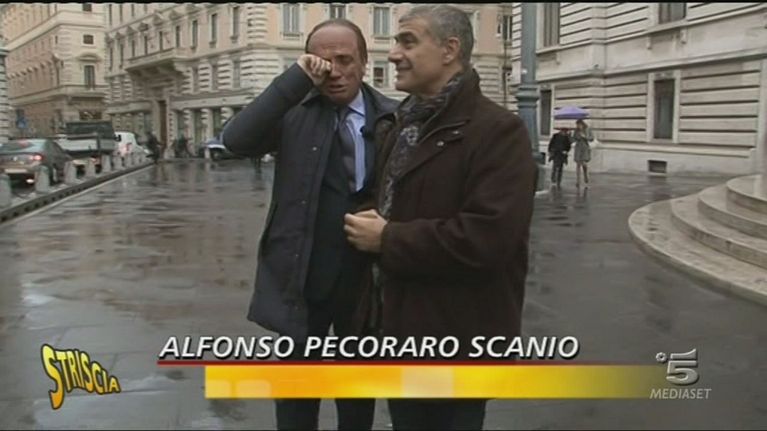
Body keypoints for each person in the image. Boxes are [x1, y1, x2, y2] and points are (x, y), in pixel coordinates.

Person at [343, 5, 536, 430]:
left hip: (460, 339)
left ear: (449, 50)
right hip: (398, 334)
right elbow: (388, 200)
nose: (394, 53)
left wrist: (388, 238)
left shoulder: (498, 131)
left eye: (408, 42)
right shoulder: (402, 123)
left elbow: (487, 238)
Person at [222, 19, 397, 431]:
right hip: (301, 278)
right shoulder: (293, 111)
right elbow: (236, 140)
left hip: (366, 283)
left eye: (345, 60)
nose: (335, 71)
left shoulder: (393, 116)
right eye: (322, 62)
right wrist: (295, 80)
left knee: (357, 391)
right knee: (296, 393)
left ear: (364, 62)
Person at [573, 119, 593, 188]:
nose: (578, 126)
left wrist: (585, 137)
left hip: (585, 148)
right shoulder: (576, 130)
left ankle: (585, 176)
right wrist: (576, 136)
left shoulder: (588, 129)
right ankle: (578, 181)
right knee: (578, 165)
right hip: (578, 148)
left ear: (582, 124)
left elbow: (591, 138)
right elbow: (574, 138)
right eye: (577, 125)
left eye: (579, 125)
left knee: (584, 164)